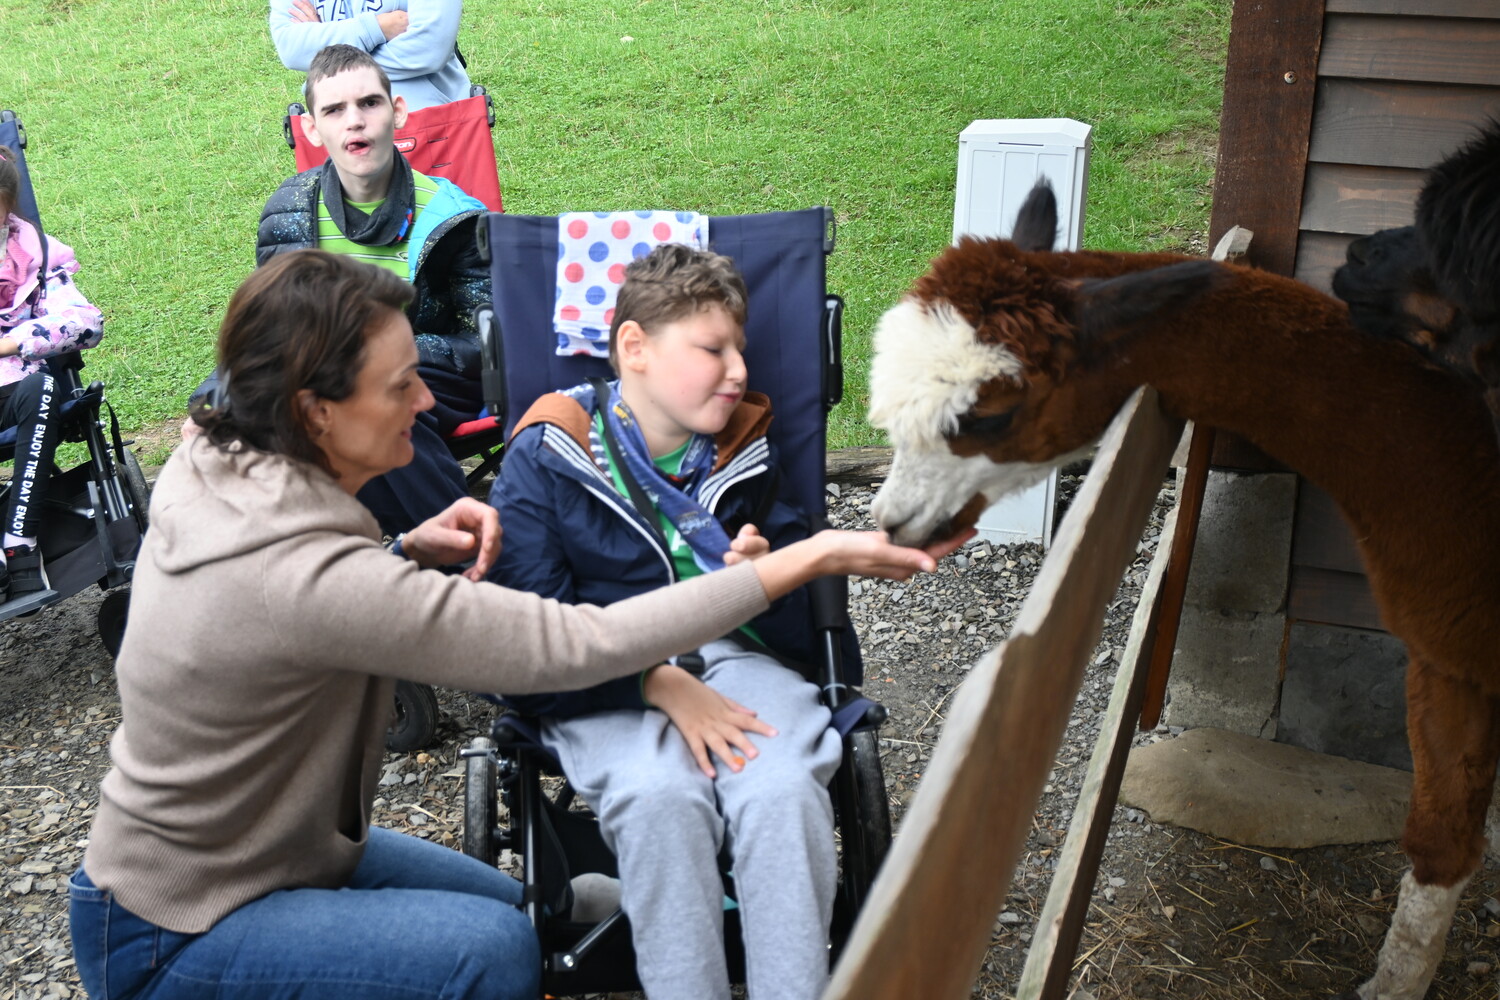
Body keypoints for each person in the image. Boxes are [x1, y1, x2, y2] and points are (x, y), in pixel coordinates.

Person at [70, 249, 957, 1000]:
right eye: (402, 384)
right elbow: (569, 646)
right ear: (315, 413)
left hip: (283, 850)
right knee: (490, 953)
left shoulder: (210, 455)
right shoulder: (318, 576)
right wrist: (791, 565)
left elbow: (282, 596)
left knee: (525, 910)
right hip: (179, 922)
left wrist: (401, 548)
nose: (431, 404)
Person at [490, 244, 931, 1000]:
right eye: (712, 349)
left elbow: (807, 638)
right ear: (635, 348)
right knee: (660, 797)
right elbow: (527, 638)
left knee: (782, 788)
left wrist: (765, 579)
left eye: (741, 349)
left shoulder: (745, 450)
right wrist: (651, 680)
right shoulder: (548, 453)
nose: (737, 370)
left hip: (737, 659)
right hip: (601, 671)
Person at [190, 43, 485, 535]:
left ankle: (463, 551)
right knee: (230, 419)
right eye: (334, 110)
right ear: (312, 128)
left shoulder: (456, 217)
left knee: (369, 403)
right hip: (324, 378)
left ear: (397, 111)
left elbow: (488, 341)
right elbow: (272, 331)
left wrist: (377, 358)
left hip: (432, 376)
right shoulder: (289, 210)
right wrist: (216, 395)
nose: (355, 121)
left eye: (369, 103)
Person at [0, 145, 104, 601]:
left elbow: (85, 321)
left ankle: (19, 540)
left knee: (41, 386)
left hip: (16, 388)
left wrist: (11, 342)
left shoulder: (35, 251)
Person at [269, 0, 470, 111]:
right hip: (338, 130)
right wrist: (376, 27)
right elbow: (291, 46)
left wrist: (328, 66)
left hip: (431, 122)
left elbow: (429, 47)